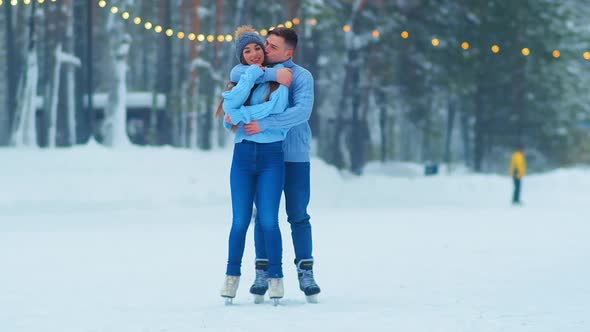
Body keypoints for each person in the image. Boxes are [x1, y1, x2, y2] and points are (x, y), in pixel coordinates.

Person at [229, 27, 321, 302]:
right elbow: (235, 73)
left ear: (288, 52)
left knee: (298, 214)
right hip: (264, 154)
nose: (264, 50)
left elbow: (302, 112)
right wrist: (270, 73)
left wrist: (265, 123)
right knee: (264, 215)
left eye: (271, 47)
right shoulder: (260, 70)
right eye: (265, 44)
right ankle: (263, 269)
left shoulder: (302, 77)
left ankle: (306, 270)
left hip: (292, 155)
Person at [217, 26, 290, 305]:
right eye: (247, 51)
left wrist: (240, 114)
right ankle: (231, 277)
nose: (254, 54)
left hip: (272, 157)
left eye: (257, 48)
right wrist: (249, 79)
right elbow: (228, 111)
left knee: (269, 220)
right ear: (241, 57)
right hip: (243, 158)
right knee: (239, 222)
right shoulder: (240, 81)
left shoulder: (280, 81)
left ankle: (276, 278)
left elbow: (275, 111)